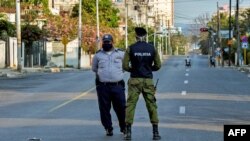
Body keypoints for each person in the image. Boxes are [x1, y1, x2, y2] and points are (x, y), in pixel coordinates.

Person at [122, 27, 162, 140]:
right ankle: (155, 132)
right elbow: (158, 65)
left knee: (130, 105)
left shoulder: (131, 48)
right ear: (146, 36)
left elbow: (125, 66)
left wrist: (133, 70)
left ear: (136, 36)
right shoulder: (152, 48)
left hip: (134, 80)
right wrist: (149, 69)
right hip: (148, 80)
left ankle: (128, 132)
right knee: (151, 105)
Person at [92, 34, 126, 136]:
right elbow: (94, 68)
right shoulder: (98, 55)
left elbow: (125, 67)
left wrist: (116, 74)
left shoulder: (120, 54)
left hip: (117, 86)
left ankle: (124, 128)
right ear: (102, 43)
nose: (106, 44)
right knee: (104, 108)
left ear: (112, 42)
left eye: (108, 42)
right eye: (105, 42)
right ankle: (108, 128)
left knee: (121, 108)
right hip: (103, 86)